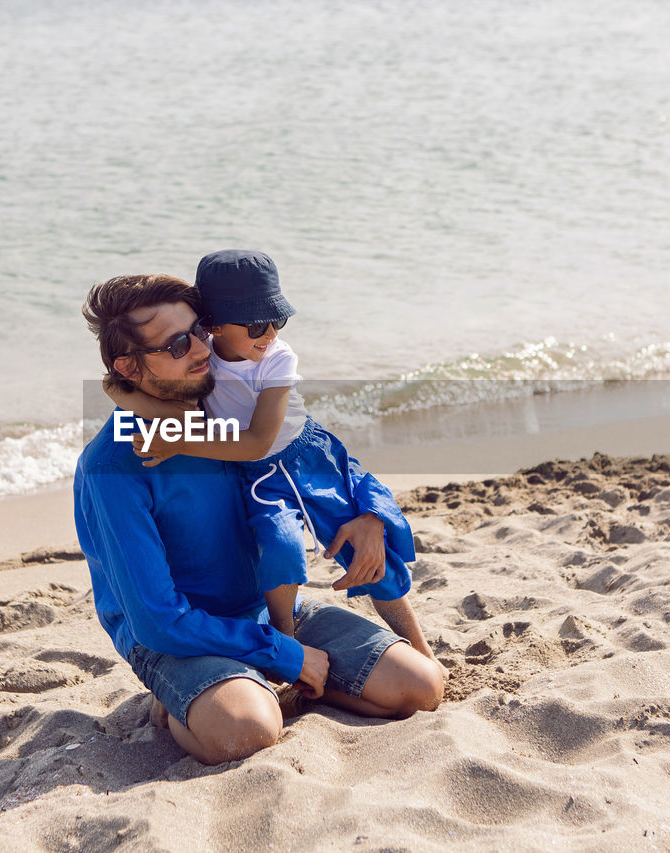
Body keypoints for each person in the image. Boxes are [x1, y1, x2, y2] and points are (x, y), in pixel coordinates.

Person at [74, 273, 444, 765]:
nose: (202, 349)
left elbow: (318, 453)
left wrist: (372, 513)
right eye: (179, 344)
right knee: (245, 731)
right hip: (173, 640)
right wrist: (289, 656)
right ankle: (188, 699)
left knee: (420, 687)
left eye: (201, 331)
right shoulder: (113, 464)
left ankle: (259, 691)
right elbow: (158, 621)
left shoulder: (232, 407)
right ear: (129, 367)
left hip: (268, 613)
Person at [108, 250, 436, 662]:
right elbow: (121, 388)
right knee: (280, 546)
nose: (269, 333)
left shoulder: (277, 358)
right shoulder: (198, 353)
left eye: (277, 320)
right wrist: (121, 392)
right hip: (257, 476)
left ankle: (422, 648)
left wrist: (177, 440)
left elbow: (260, 440)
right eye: (255, 324)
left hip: (304, 457)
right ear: (214, 326)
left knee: (372, 558)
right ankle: (286, 639)